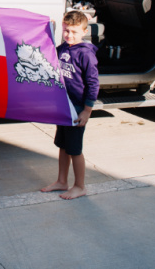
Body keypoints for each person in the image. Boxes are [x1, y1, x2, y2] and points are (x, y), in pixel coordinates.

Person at [41, 10, 99, 200]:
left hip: (77, 109)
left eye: (74, 32)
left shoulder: (85, 54)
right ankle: (62, 181)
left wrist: (87, 110)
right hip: (63, 106)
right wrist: (52, 28)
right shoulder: (63, 48)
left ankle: (80, 186)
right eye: (66, 31)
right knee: (63, 146)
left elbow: (93, 84)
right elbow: (49, 54)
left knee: (75, 149)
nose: (69, 35)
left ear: (84, 31)